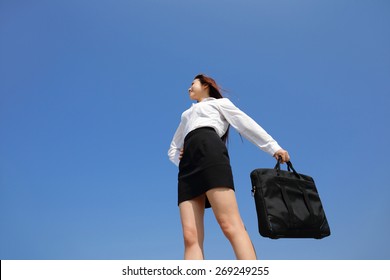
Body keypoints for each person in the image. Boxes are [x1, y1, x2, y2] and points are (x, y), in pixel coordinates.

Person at [168, 74, 290, 260]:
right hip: (187, 170)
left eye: (192, 83)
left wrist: (274, 148)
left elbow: (246, 124)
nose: (188, 88)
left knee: (229, 224)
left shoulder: (219, 104)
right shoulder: (186, 115)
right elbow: (173, 148)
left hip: (211, 154)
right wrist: (181, 160)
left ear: (206, 85)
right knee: (190, 237)